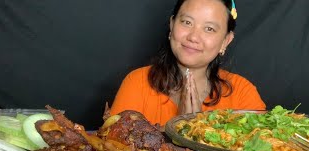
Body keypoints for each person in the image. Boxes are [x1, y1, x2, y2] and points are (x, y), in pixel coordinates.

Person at [110, 0, 266, 126]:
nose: (193, 37)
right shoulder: (137, 82)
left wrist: (197, 129)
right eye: (186, 22)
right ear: (172, 25)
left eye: (209, 29)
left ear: (226, 41)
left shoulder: (242, 94)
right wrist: (178, 128)